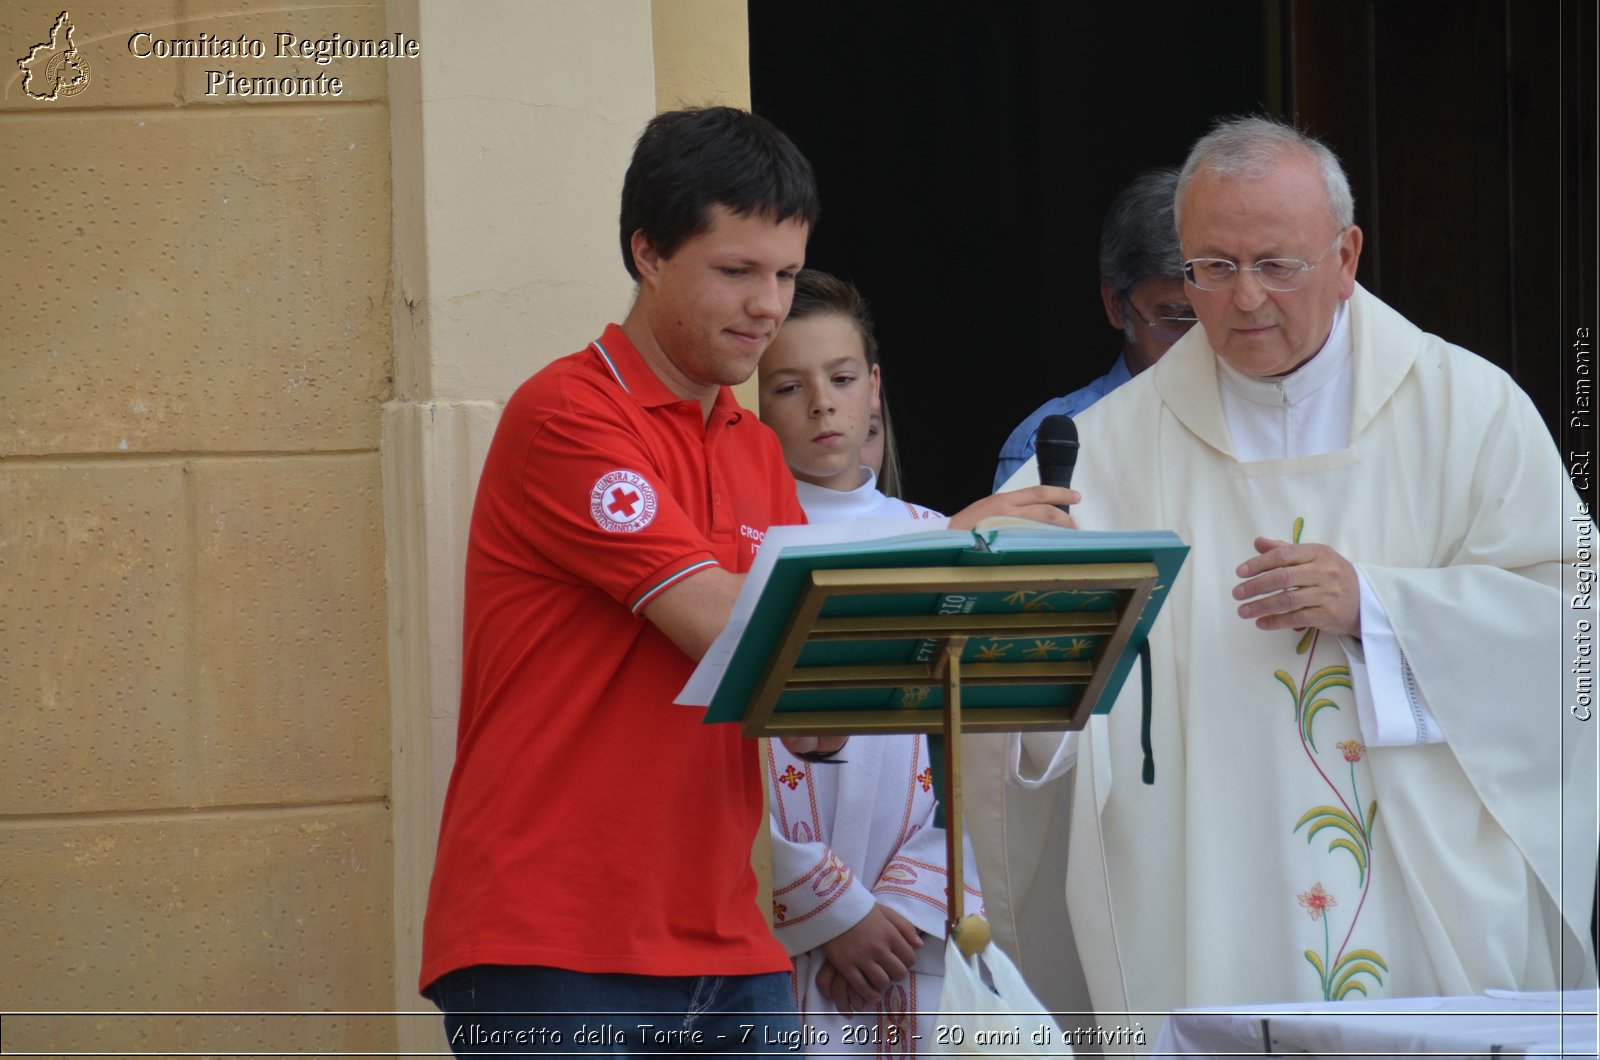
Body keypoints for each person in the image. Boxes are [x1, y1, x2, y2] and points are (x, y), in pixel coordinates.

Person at [419, 106, 1077, 1056]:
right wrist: (942, 553)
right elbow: (742, 631)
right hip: (557, 936)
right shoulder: (568, 415)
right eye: (735, 272)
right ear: (647, 252)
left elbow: (808, 715)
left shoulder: (751, 451)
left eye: (782, 273)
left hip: (733, 935)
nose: (768, 305)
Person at [974, 115, 1598, 1030]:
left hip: (1429, 893)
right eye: (1212, 269)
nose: (1244, 299)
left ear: (1346, 256)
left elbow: (1573, 628)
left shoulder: (1469, 410)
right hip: (1205, 885)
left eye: (1277, 265)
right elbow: (1002, 669)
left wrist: (1382, 609)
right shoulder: (1108, 449)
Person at [755, 270, 970, 1051]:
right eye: (787, 386)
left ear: (874, 386)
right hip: (777, 927)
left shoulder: (933, 535)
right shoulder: (735, 544)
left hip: (908, 927)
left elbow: (975, 751)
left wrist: (902, 912)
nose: (823, 404)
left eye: (842, 378)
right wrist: (831, 907)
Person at [992, 168, 1195, 489]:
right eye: (1173, 317)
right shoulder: (1048, 449)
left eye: (1209, 318)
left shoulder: (1260, 419)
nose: (1197, 339)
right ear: (1115, 304)